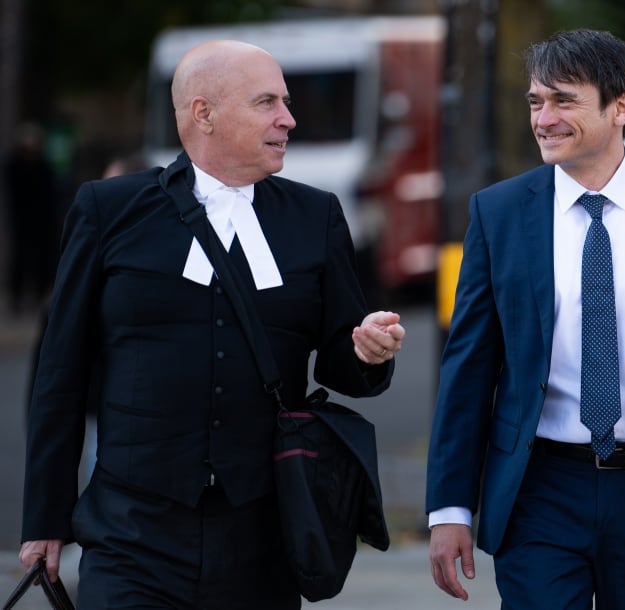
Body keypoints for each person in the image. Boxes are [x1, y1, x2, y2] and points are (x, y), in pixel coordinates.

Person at [19, 39, 405, 609]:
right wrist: (45, 518)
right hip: (132, 533)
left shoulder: (314, 215)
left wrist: (370, 351)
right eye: (267, 102)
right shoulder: (109, 209)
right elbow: (61, 373)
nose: (288, 118)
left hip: (263, 537)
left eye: (287, 101)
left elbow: (343, 358)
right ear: (204, 113)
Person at [426, 29, 625, 610]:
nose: (543, 119)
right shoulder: (497, 212)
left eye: (563, 100)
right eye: (534, 102)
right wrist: (449, 509)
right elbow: (469, 366)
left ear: (621, 105)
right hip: (539, 487)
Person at [2, 122, 59, 315]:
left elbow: (50, 193)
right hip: (22, 219)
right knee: (20, 258)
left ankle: (38, 294)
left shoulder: (43, 164)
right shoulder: (14, 164)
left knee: (41, 258)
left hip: (41, 219)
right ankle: (17, 296)